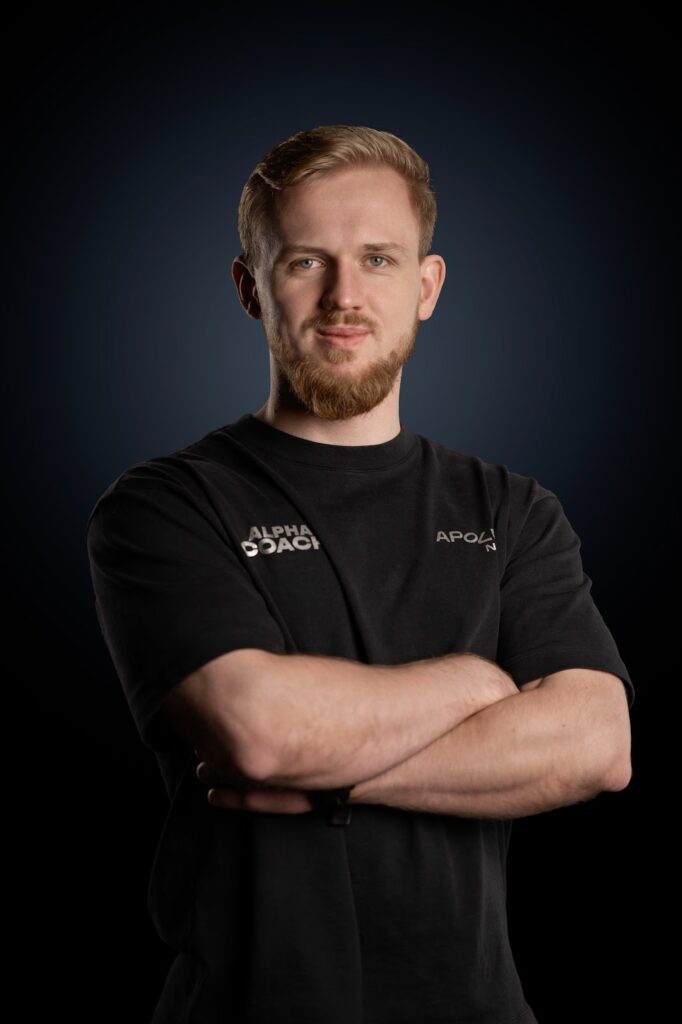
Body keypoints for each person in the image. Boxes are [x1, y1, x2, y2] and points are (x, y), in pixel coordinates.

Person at [85, 124, 634, 1024]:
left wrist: (333, 773)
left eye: (378, 259)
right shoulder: (168, 505)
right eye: (307, 261)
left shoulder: (511, 509)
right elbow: (258, 732)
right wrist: (475, 684)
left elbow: (597, 742)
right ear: (249, 288)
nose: (344, 296)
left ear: (427, 286)